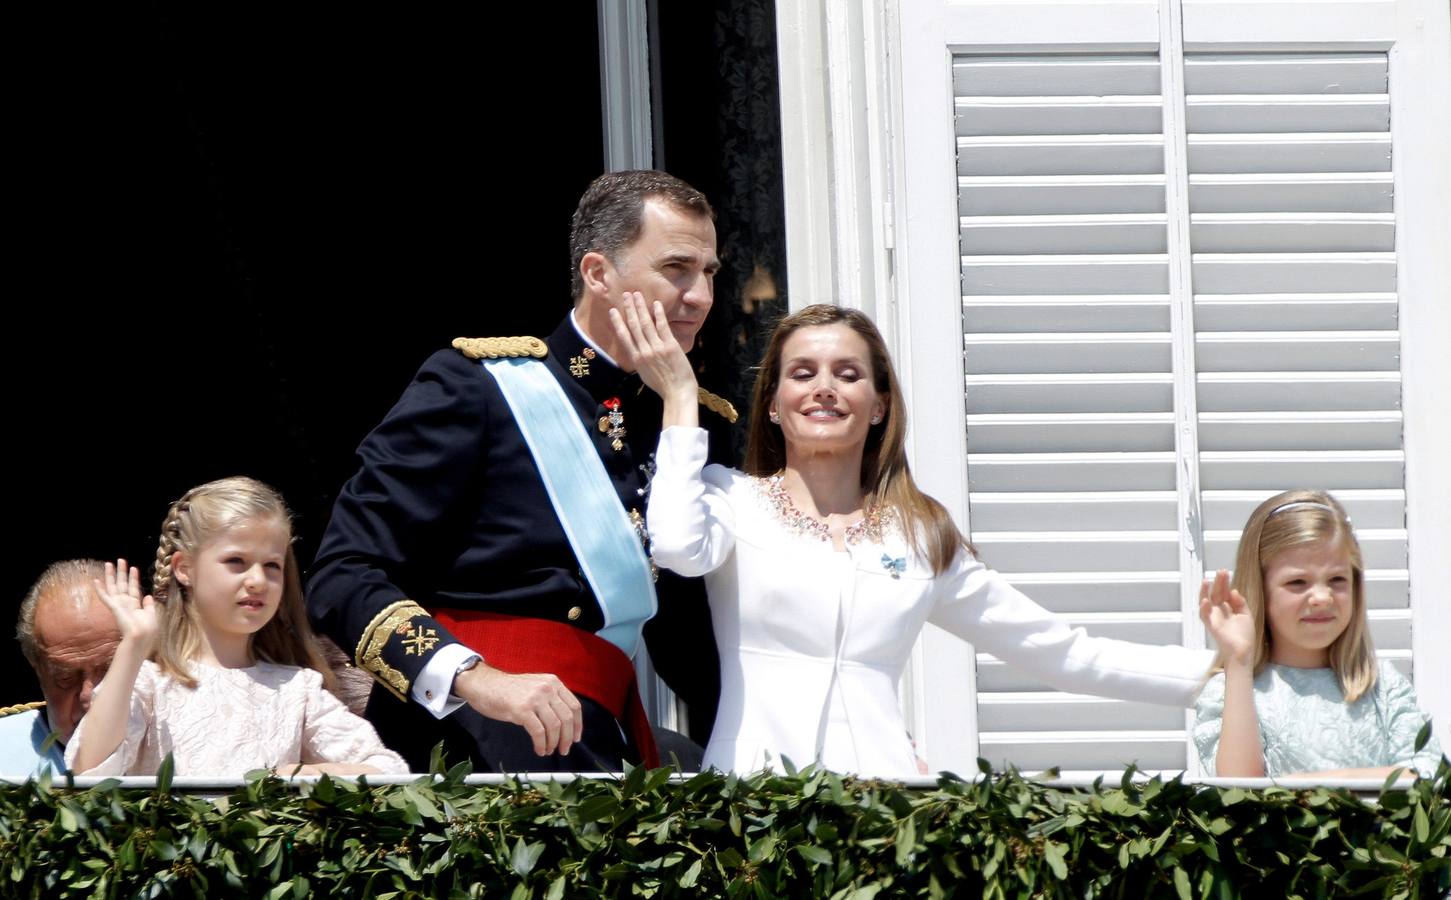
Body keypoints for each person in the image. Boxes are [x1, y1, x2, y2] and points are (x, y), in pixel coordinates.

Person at [618, 300, 1217, 777]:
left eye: (847, 374)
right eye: (802, 374)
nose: (824, 387)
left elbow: (1060, 650)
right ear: (773, 404)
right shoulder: (731, 498)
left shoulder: (919, 533)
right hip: (755, 806)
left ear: (878, 406)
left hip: (884, 811)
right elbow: (674, 546)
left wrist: (1236, 672)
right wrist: (679, 399)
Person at [307, 170, 733, 772]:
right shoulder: (477, 388)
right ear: (598, 274)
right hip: (468, 754)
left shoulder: (685, 422)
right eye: (677, 269)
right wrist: (473, 678)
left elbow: (693, 648)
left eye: (710, 273)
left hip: (601, 747)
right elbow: (343, 577)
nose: (701, 297)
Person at [65, 477, 407, 777]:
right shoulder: (150, 683)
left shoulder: (296, 689)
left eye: (272, 565)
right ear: (184, 568)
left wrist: (297, 775)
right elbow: (89, 771)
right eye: (236, 562)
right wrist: (134, 645)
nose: (258, 580)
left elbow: (388, 770)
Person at [1195, 490, 1442, 778]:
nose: (1322, 597)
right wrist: (1239, 659)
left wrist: (1309, 784)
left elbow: (1427, 775)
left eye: (1337, 579)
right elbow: (1238, 793)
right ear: (1260, 589)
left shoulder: (1381, 687)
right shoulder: (1232, 691)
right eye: (1298, 582)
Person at [1, 560, 119, 776]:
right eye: (66, 678)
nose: (88, 696)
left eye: (110, 672)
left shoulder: (185, 743)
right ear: (36, 666)